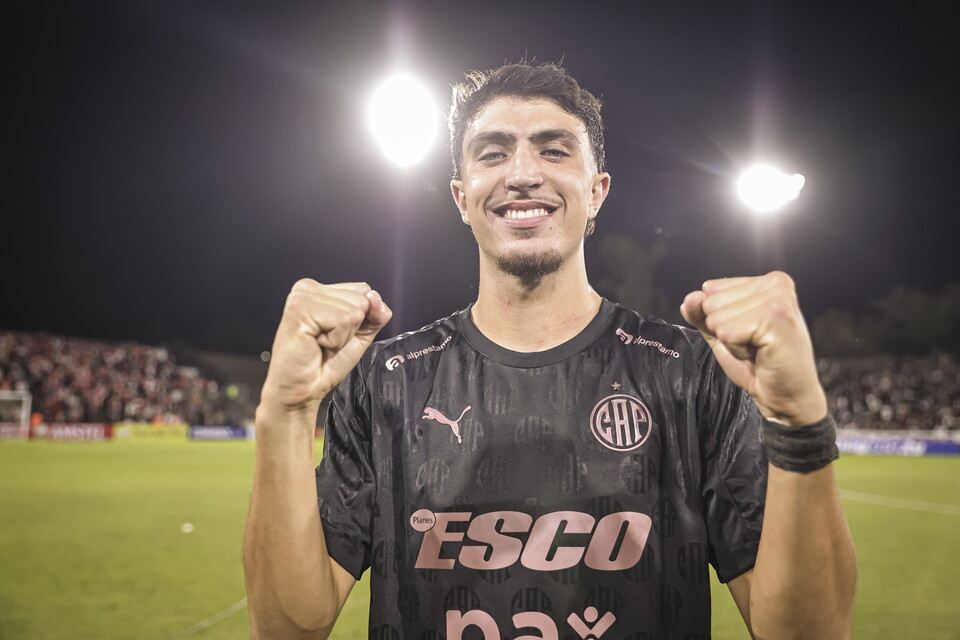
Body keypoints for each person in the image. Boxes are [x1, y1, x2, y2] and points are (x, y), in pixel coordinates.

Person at [243, 62, 856, 639]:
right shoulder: (385, 378)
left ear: (597, 191)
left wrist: (799, 420)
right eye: (492, 153)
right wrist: (285, 415)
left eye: (554, 150)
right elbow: (289, 628)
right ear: (461, 197)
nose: (522, 173)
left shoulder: (691, 373)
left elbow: (806, 632)